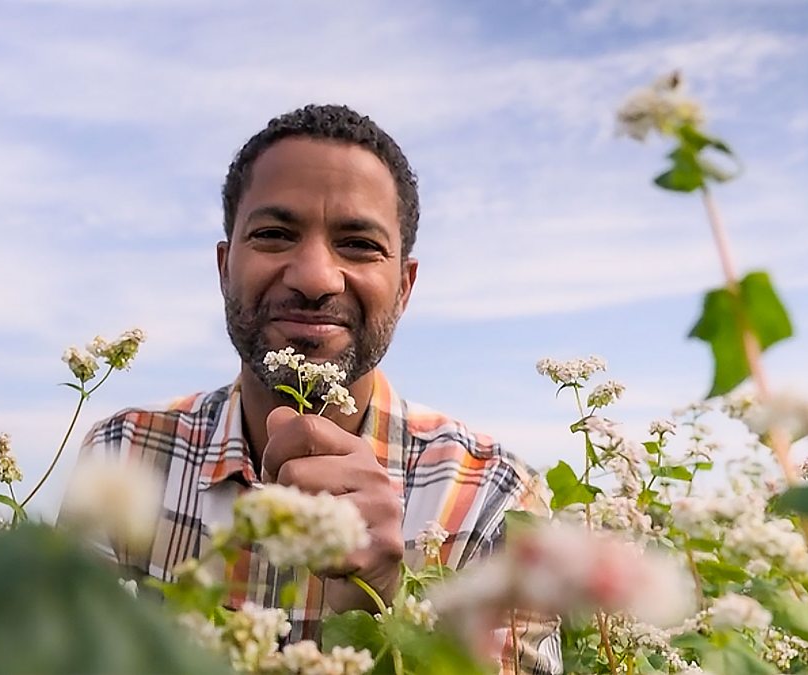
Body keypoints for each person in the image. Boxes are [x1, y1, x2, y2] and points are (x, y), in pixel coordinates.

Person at [64, 104, 561, 674]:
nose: (315, 278)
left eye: (358, 244)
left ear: (404, 286)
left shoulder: (491, 498)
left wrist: (377, 608)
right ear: (225, 267)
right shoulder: (126, 456)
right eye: (275, 235)